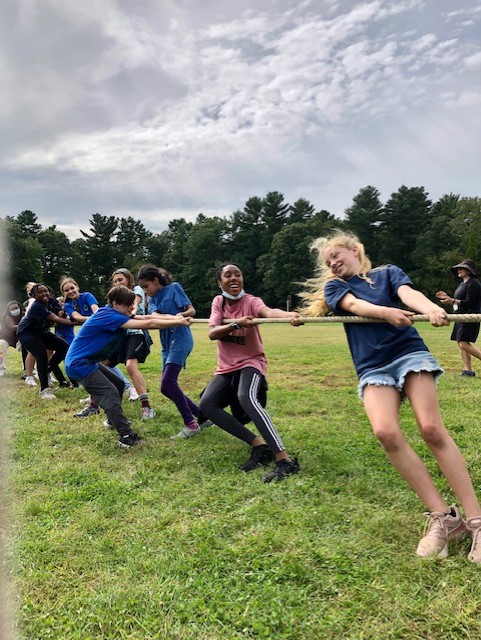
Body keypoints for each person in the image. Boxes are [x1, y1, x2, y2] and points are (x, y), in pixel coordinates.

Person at [299, 231, 481, 562]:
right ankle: (444, 518)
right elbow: (354, 306)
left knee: (430, 428)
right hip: (372, 366)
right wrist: (386, 313)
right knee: (386, 433)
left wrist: (430, 309)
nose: (333, 264)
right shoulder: (336, 287)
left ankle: (477, 522)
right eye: (328, 262)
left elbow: (408, 294)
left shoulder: (387, 273)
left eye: (337, 256)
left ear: (355, 251)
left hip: (407, 352)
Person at [198, 263, 302, 483]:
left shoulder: (251, 301)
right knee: (207, 404)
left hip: (251, 362)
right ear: (220, 282)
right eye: (228, 275)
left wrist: (289, 315)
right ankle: (258, 445)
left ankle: (283, 459)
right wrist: (235, 324)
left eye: (238, 274)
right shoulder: (219, 302)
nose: (234, 278)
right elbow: (212, 333)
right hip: (226, 367)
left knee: (246, 397)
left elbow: (269, 312)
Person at [65, 285, 192, 448]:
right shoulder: (109, 316)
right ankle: (126, 436)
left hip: (86, 361)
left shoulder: (113, 313)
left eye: (133, 305)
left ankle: (113, 419)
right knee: (109, 392)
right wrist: (178, 321)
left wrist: (176, 319)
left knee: (118, 384)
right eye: (129, 305)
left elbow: (144, 318)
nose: (132, 308)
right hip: (80, 365)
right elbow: (149, 323)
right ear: (116, 303)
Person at [137, 264, 211, 439]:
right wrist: (172, 317)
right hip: (166, 344)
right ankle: (203, 417)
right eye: (143, 289)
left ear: (156, 280)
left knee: (169, 382)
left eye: (147, 287)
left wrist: (182, 316)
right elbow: (153, 317)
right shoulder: (153, 298)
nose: (146, 292)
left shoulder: (174, 288)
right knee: (165, 388)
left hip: (181, 338)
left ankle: (191, 424)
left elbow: (191, 310)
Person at [60, 277, 138, 417]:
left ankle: (128, 388)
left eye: (72, 288)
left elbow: (96, 310)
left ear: (77, 286)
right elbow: (77, 317)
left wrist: (100, 319)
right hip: (98, 332)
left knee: (105, 369)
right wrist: (97, 321)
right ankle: (94, 404)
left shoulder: (87, 296)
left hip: (107, 331)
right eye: (66, 290)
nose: (70, 291)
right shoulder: (68, 305)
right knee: (95, 369)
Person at [111, 268, 155, 419]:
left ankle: (147, 407)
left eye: (120, 280)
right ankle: (93, 403)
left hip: (136, 333)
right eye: (115, 281)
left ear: (129, 280)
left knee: (130, 365)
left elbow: (135, 303)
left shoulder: (136, 290)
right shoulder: (116, 296)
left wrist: (133, 312)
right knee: (99, 363)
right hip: (121, 335)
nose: (117, 283)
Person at [17, 284, 73, 399]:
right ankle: (44, 389)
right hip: (27, 332)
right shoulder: (37, 306)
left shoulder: (52, 301)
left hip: (41, 331)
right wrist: (80, 322)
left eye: (46, 291)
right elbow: (56, 319)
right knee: (41, 354)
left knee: (64, 347)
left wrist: (67, 314)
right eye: (40, 292)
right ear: (34, 296)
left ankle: (46, 370)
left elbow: (62, 313)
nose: (44, 294)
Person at [436, 259, 481, 377]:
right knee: (460, 343)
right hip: (460, 316)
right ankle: (468, 371)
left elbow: (471, 302)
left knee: (463, 344)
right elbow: (460, 301)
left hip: (470, 316)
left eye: (462, 268)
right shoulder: (462, 284)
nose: (459, 270)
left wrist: (453, 300)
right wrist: (449, 299)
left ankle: (469, 370)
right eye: (458, 269)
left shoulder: (474, 283)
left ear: (469, 271)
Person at [0, 301, 23, 376]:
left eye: (16, 308)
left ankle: (29, 369)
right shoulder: (6, 317)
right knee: (1, 346)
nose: (15, 310)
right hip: (5, 337)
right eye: (12, 309)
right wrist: (25, 324)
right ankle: (1, 368)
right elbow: (12, 327)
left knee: (27, 348)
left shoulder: (24, 315)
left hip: (20, 338)